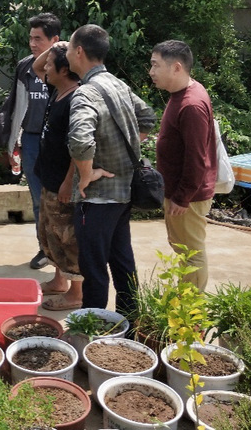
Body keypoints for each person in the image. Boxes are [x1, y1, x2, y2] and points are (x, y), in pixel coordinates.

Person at [66, 24, 156, 316]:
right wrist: (124, 146)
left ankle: (93, 330)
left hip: (97, 198)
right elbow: (148, 117)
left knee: (93, 269)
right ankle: (130, 322)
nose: (67, 53)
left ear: (79, 52)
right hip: (123, 192)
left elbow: (80, 141)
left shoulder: (85, 93)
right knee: (122, 263)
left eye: (69, 47)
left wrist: (87, 173)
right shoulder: (118, 84)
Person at [149, 40, 216, 291]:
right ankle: (185, 300)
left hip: (187, 196)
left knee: (191, 254)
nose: (151, 72)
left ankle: (190, 308)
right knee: (183, 250)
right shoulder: (182, 94)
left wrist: (181, 197)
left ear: (176, 67)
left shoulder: (191, 105)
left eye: (156, 65)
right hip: (180, 192)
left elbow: (197, 158)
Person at [0, 13, 60, 269]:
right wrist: (14, 142)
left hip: (58, 143)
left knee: (62, 199)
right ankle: (44, 249)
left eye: (38, 38)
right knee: (38, 199)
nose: (33, 44)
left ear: (54, 40)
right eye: (31, 38)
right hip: (32, 141)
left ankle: (64, 251)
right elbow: (16, 105)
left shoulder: (66, 64)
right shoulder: (25, 67)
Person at [30, 42, 83, 310]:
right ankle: (59, 281)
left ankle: (76, 294)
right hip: (49, 178)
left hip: (64, 183)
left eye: (52, 64)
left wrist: (68, 182)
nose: (46, 68)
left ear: (64, 70)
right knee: (50, 234)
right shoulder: (57, 89)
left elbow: (78, 148)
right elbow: (36, 66)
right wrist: (56, 47)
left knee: (68, 238)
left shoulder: (76, 99)